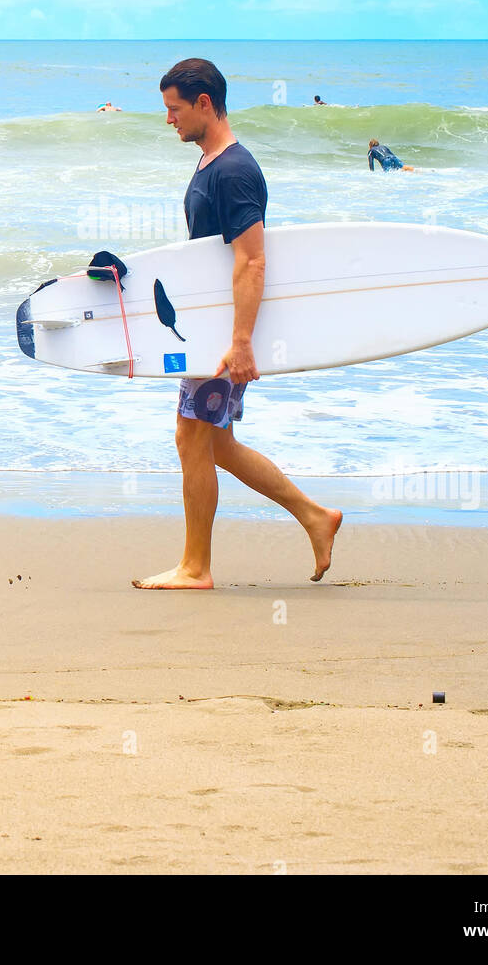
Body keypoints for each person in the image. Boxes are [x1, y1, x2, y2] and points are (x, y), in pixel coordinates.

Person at [132, 58, 342, 591]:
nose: (169, 120)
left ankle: (196, 568)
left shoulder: (234, 170)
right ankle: (317, 517)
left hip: (223, 338)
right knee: (215, 444)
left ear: (204, 103)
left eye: (174, 109)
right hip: (210, 331)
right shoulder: (210, 164)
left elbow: (253, 259)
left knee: (191, 437)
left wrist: (241, 343)